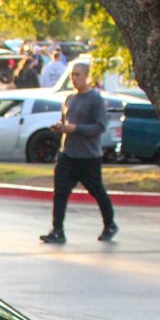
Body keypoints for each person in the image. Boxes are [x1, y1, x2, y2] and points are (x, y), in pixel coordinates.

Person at [39, 62, 117, 245]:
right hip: (67, 154)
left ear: (87, 76)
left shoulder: (95, 99)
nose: (74, 78)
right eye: (72, 75)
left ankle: (110, 224)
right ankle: (57, 230)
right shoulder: (69, 99)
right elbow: (66, 122)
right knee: (60, 192)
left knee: (97, 191)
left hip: (88, 156)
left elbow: (100, 127)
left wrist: (76, 128)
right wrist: (60, 127)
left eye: (78, 74)